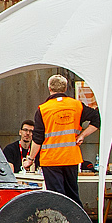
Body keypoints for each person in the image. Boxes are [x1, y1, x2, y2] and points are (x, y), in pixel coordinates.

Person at [26, 76, 99, 204]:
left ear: (49, 88)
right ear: (65, 89)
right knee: (72, 196)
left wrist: (30, 159)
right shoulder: (77, 106)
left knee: (57, 198)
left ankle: (61, 217)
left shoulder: (43, 109)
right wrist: (82, 135)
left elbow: (37, 138)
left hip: (51, 160)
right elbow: (97, 119)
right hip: (71, 158)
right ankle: (76, 216)